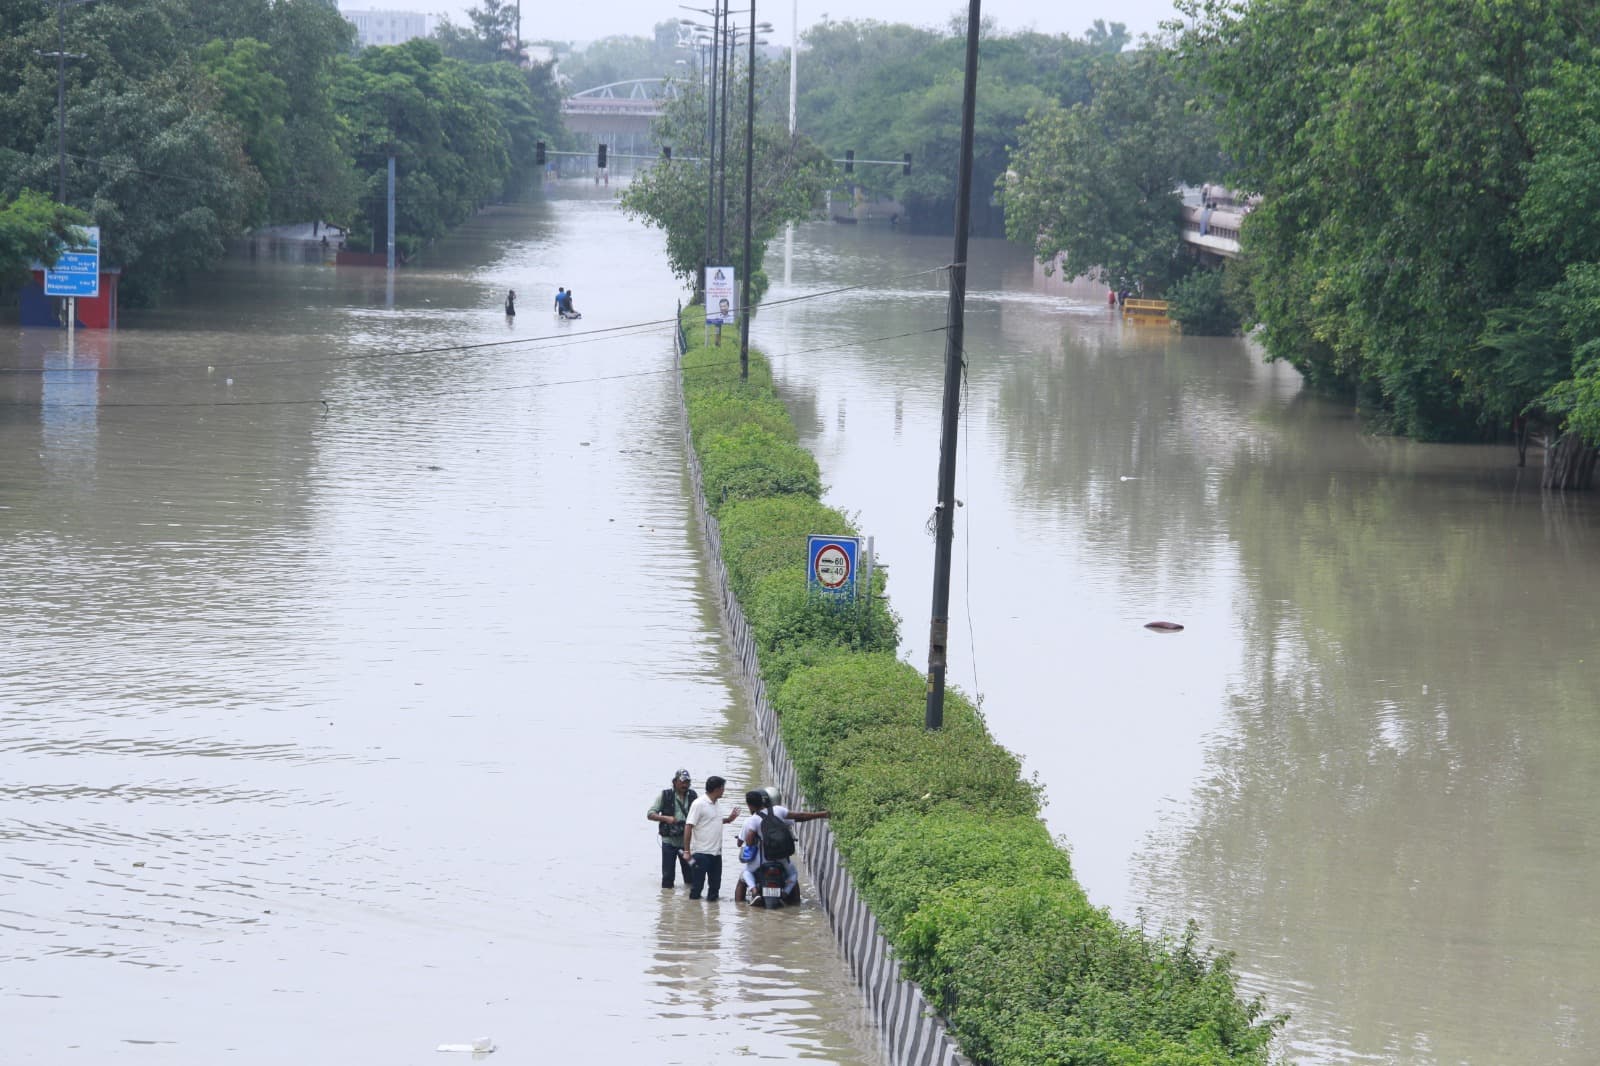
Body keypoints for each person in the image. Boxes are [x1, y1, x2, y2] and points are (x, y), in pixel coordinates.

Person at [735, 789, 829, 905]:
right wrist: (823, 814)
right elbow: (801, 816)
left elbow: (748, 842)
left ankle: (752, 893)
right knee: (793, 874)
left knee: (745, 874)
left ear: (750, 805)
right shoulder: (778, 810)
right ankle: (787, 895)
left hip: (761, 862)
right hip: (782, 860)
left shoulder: (752, 820)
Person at [681, 776, 740, 902]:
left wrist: (729, 820)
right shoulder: (699, 804)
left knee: (715, 887)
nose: (724, 791)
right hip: (701, 853)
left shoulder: (717, 804)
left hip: (716, 853)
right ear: (717, 789)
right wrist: (686, 851)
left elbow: (712, 821)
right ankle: (693, 915)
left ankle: (713, 917)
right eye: (723, 788)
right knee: (697, 887)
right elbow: (688, 826)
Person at [647, 769, 697, 889]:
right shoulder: (665, 795)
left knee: (691, 876)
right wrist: (665, 818)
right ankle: (667, 903)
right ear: (675, 782)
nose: (685, 785)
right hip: (668, 842)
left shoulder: (693, 796)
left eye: (687, 782)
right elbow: (650, 814)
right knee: (668, 877)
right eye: (682, 782)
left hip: (687, 844)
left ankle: (690, 899)